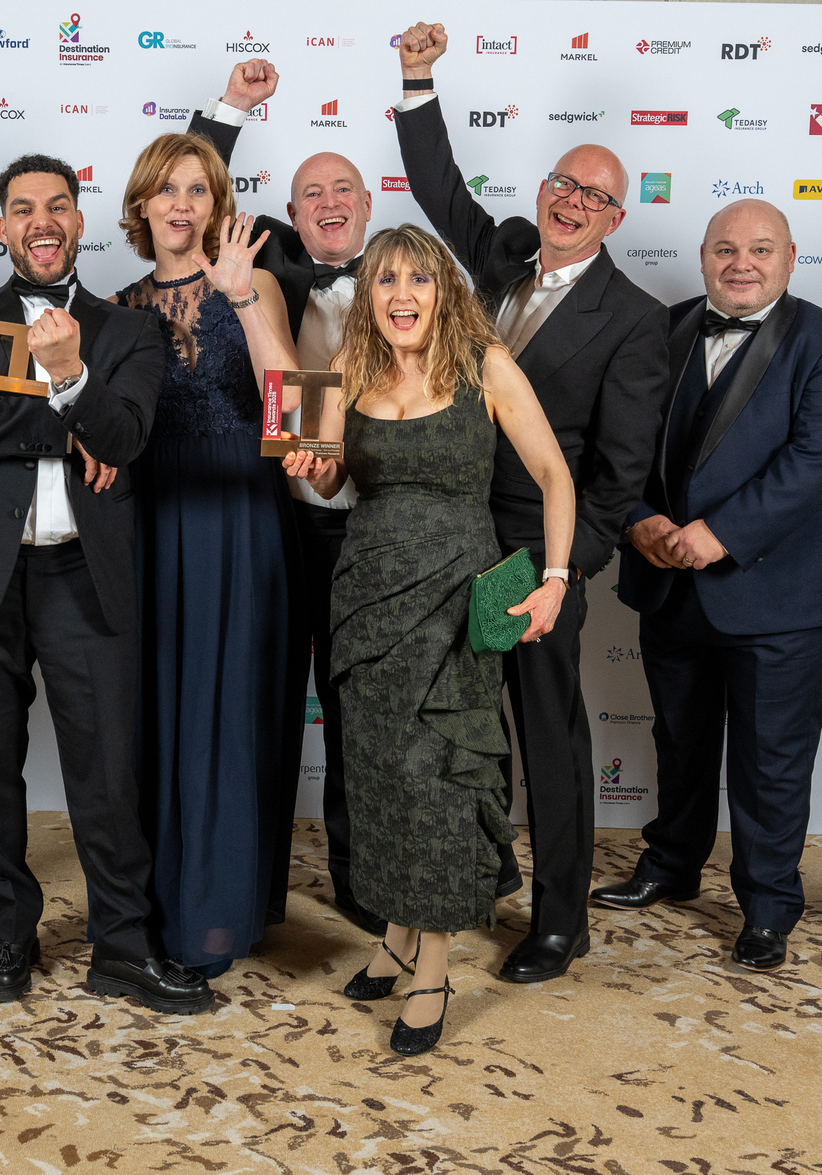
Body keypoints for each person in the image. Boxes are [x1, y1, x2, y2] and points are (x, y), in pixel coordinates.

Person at [392, 22, 670, 983]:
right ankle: (473, 879)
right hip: (449, 532)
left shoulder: (634, 320)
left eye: (596, 196)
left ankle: (561, 920)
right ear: (545, 190)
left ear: (614, 219)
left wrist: (560, 574)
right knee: (462, 726)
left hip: (532, 551)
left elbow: (617, 477)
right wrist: (418, 79)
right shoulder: (505, 257)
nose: (573, 201)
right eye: (564, 183)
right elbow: (441, 190)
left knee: (547, 735)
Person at [0, 154, 215, 1016]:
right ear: (3, 227)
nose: (40, 221)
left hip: (87, 574)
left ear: (80, 221)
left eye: (56, 206)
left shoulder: (130, 330)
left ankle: (122, 945)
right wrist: (69, 416)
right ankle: (10, 933)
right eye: (22, 208)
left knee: (109, 772)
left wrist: (77, 378)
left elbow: (124, 436)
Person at [285, 223, 572, 1057]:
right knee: (380, 775)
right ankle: (396, 934)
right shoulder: (349, 365)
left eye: (419, 278)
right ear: (369, 296)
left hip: (455, 596)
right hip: (368, 595)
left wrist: (556, 578)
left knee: (438, 777)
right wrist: (310, 465)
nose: (402, 294)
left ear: (443, 290)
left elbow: (554, 474)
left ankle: (434, 967)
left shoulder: (486, 365)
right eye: (386, 280)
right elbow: (331, 479)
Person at [599, 199, 822, 971]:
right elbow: (619, 444)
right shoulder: (661, 327)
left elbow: (816, 462)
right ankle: (671, 864)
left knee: (770, 760)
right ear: (704, 255)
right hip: (667, 582)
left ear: (790, 256)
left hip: (776, 594)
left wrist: (717, 535)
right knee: (679, 742)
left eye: (759, 248)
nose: (740, 263)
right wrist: (639, 521)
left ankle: (769, 906)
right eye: (724, 248)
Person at [189, 60, 387, 935]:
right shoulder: (263, 260)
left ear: (369, 205)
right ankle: (256, 880)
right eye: (312, 194)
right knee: (264, 700)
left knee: (356, 711)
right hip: (277, 525)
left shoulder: (409, 277)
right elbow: (188, 191)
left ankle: (358, 876)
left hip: (371, 530)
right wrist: (233, 108)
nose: (329, 203)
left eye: (343, 190)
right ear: (290, 214)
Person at [111, 129, 298, 979]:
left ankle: (217, 911)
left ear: (218, 205)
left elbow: (292, 406)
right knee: (154, 708)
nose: (182, 204)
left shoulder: (255, 281)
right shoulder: (116, 305)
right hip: (151, 516)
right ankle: (154, 905)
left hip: (237, 514)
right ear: (142, 204)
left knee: (226, 705)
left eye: (198, 189)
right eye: (167, 188)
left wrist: (244, 298)